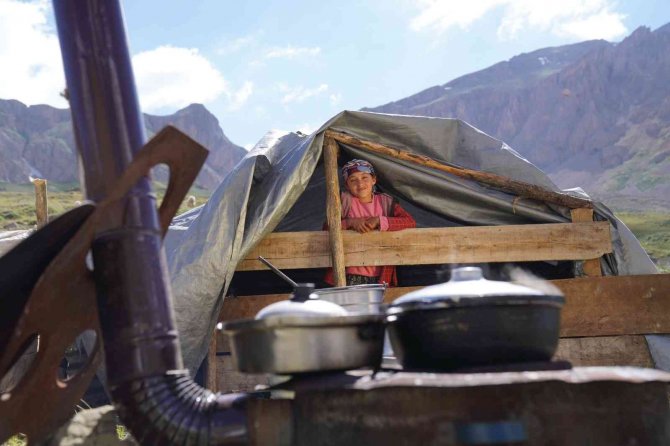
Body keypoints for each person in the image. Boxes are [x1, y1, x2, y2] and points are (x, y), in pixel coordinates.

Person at [324, 159, 416, 287]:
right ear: (346, 185)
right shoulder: (342, 202)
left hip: (381, 272)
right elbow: (327, 228)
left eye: (364, 177)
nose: (360, 184)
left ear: (374, 180)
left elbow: (409, 222)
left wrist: (380, 220)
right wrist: (350, 222)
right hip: (348, 272)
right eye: (353, 180)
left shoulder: (386, 202)